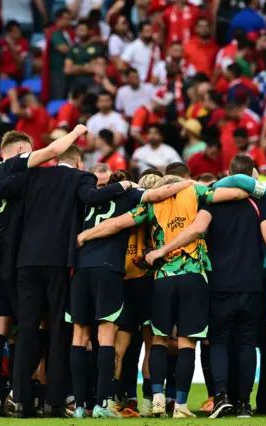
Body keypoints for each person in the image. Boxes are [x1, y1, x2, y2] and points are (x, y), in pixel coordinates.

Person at [145, 154, 266, 419]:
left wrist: (164, 249)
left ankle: (221, 397)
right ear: (251, 175)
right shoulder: (260, 204)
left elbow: (196, 229)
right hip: (252, 284)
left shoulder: (212, 201)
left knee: (219, 342)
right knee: (247, 344)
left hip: (219, 284)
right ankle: (244, 404)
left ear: (228, 172)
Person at [76, 176, 250, 419]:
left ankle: (157, 399)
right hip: (193, 275)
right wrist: (249, 186)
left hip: (162, 277)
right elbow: (237, 194)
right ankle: (179, 405)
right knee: (187, 342)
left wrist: (86, 235)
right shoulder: (195, 192)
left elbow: (116, 223)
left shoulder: (150, 205)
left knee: (158, 339)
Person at [0, 126, 94, 417]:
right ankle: (54, 402)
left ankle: (21, 402)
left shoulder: (29, 178)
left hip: (24, 262)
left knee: (27, 331)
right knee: (57, 329)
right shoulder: (78, 178)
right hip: (59, 262)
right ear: (78, 162)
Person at [69, 172, 195, 418]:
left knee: (83, 337)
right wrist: (189, 182)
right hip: (133, 277)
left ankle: (82, 405)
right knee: (139, 341)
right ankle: (113, 403)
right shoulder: (136, 199)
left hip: (85, 269)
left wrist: (83, 236)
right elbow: (155, 196)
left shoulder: (86, 200)